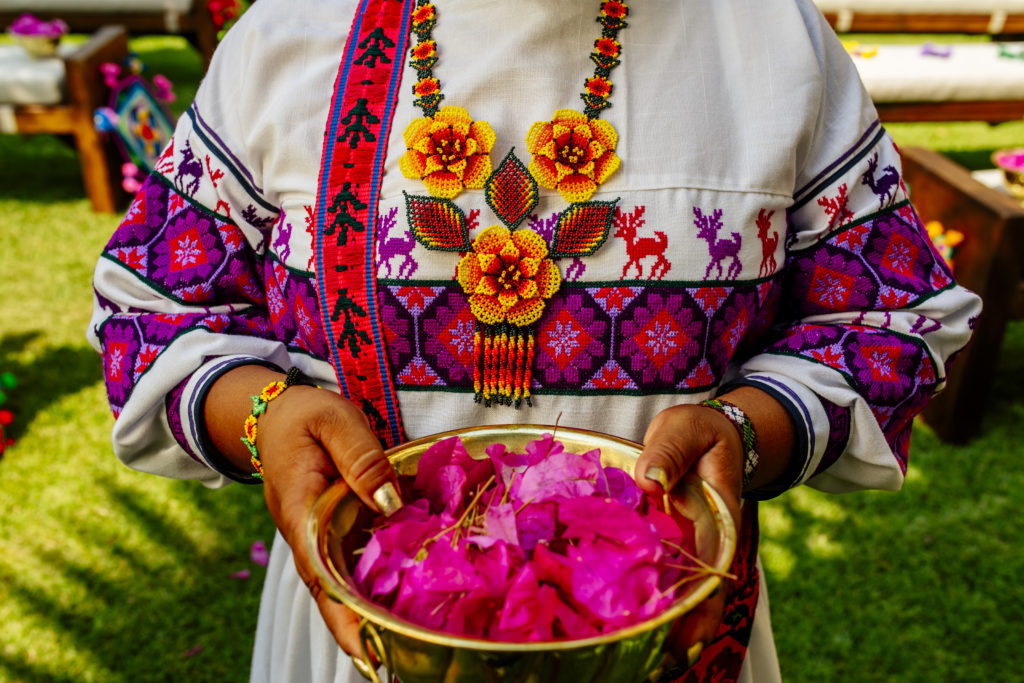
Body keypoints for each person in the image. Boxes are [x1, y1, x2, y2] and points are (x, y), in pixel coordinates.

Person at [87, 0, 980, 680]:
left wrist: (747, 433)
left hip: (667, 632)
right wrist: (269, 422)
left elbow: (883, 320)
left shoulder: (768, 43)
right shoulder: (293, 37)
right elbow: (153, 312)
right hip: (358, 645)